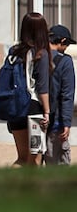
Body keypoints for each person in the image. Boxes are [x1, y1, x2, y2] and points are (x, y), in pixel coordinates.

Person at [7, 12, 52, 167]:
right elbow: (42, 87)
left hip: (15, 108)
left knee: (21, 158)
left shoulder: (13, 51)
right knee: (35, 158)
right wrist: (47, 111)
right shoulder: (41, 53)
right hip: (34, 109)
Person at [44, 24, 75, 166]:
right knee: (59, 165)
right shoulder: (65, 61)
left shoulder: (37, 56)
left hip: (35, 118)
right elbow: (67, 95)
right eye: (67, 44)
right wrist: (66, 122)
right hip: (55, 121)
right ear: (62, 41)